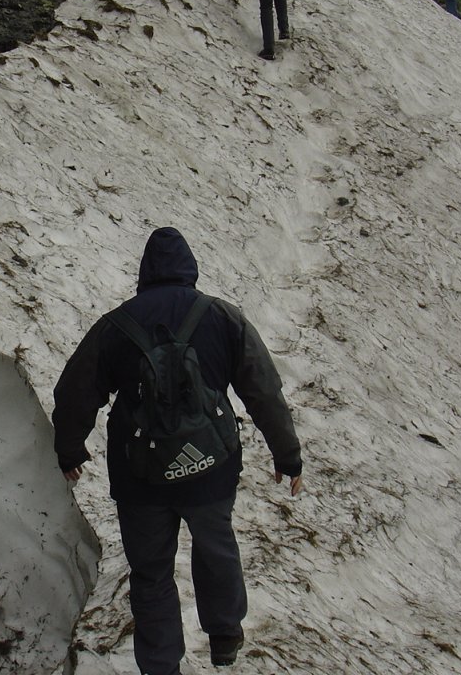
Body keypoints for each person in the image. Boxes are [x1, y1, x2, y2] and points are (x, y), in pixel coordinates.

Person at [52, 227, 303, 674]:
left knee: (151, 575)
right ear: (190, 268)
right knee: (215, 544)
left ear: (145, 272)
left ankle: (162, 665)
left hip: (140, 477)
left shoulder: (115, 326)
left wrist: (69, 452)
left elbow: (75, 392)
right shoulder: (223, 318)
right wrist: (287, 455)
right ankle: (225, 634)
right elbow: (263, 389)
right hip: (211, 467)